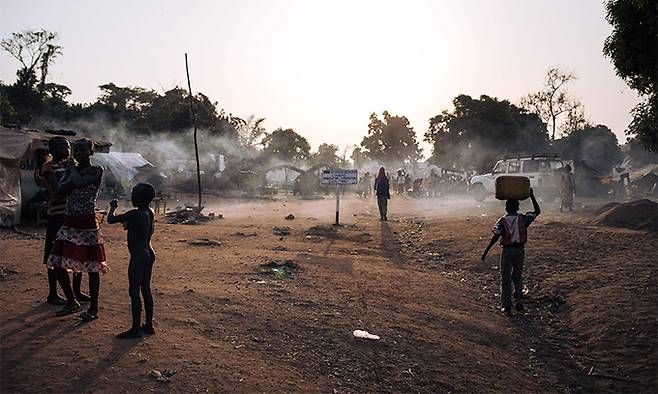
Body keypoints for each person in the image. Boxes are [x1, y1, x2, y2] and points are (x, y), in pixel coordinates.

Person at [48, 139, 107, 320]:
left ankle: (94, 309)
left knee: (92, 267)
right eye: (76, 150)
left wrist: (71, 169)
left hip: (87, 223)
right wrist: (72, 172)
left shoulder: (97, 170)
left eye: (83, 150)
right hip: (70, 222)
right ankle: (72, 301)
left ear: (91, 152)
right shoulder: (76, 171)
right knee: (56, 262)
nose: (78, 153)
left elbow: (79, 183)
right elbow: (60, 188)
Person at [37, 137, 89, 306]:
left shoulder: (69, 166)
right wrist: (74, 178)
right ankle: (53, 293)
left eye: (68, 147)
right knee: (54, 254)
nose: (67, 150)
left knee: (76, 252)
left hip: (72, 214)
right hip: (57, 214)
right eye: (63, 147)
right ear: (52, 150)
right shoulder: (49, 166)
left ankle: (76, 291)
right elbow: (59, 188)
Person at [481, 188, 541, 316]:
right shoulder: (523, 218)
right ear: (518, 207)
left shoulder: (501, 221)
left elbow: (496, 236)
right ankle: (519, 300)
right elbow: (537, 211)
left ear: (506, 208)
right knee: (517, 276)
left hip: (507, 251)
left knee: (505, 278)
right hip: (520, 250)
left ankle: (507, 307)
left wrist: (486, 251)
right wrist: (532, 196)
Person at [108, 183, 156, 338]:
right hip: (149, 252)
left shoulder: (134, 213)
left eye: (134, 194)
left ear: (142, 198)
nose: (132, 197)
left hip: (138, 255)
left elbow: (111, 220)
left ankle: (135, 328)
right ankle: (148, 325)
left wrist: (113, 207)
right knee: (145, 288)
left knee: (134, 290)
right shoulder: (150, 211)